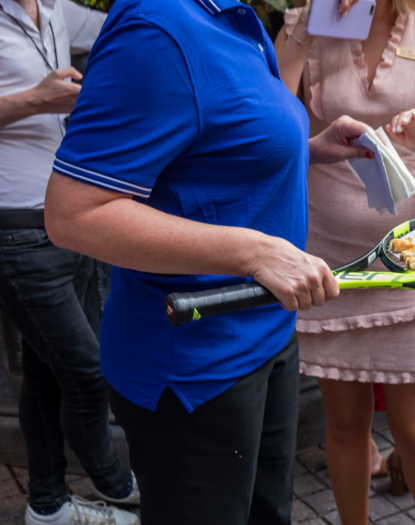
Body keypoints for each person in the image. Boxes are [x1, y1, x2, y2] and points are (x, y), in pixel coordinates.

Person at [42, 0, 375, 522]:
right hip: (196, 364)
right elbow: (72, 215)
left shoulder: (232, 13)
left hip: (266, 334)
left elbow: (218, 141)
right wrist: (253, 251)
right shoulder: (156, 33)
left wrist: (307, 148)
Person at [274, 0, 415, 522]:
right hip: (331, 263)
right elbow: (269, 135)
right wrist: (303, 31)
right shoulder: (306, 26)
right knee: (345, 428)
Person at [0, 1, 141, 523]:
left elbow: (127, 21)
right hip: (14, 228)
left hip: (69, 220)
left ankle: (48, 506)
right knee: (85, 369)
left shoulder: (55, 7)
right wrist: (37, 99)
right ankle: (116, 480)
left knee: (44, 374)